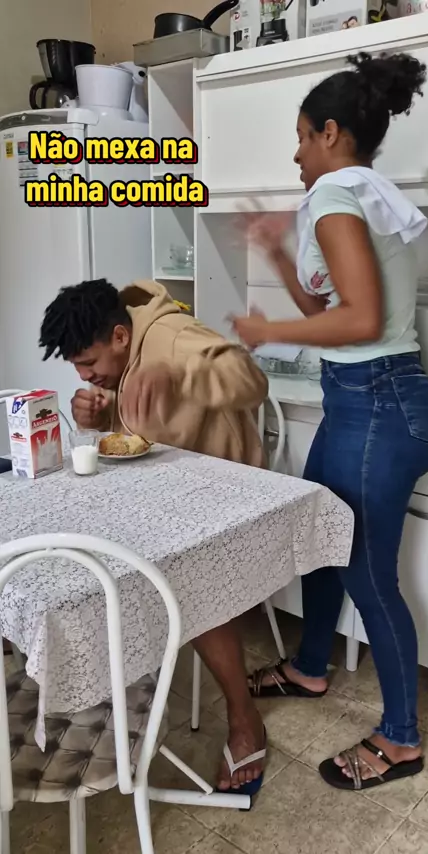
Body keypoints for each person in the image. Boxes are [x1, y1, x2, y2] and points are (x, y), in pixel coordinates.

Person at [232, 52, 428, 791]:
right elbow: (333, 307)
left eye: (301, 136)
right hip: (364, 402)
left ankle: (402, 740)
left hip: (378, 404)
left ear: (330, 133)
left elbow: (360, 321)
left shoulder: (334, 194)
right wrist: (278, 257)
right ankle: (310, 667)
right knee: (320, 536)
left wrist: (269, 333)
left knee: (366, 574)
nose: (295, 153)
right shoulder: (361, 195)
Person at [39, 277, 269, 797]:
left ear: (120, 336)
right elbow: (139, 425)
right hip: (169, 490)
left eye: (88, 362)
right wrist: (99, 415)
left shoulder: (172, 337)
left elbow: (252, 380)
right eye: (76, 367)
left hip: (226, 493)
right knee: (87, 552)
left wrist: (179, 373)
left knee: (187, 586)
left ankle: (244, 719)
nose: (84, 375)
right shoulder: (126, 349)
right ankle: (113, 682)